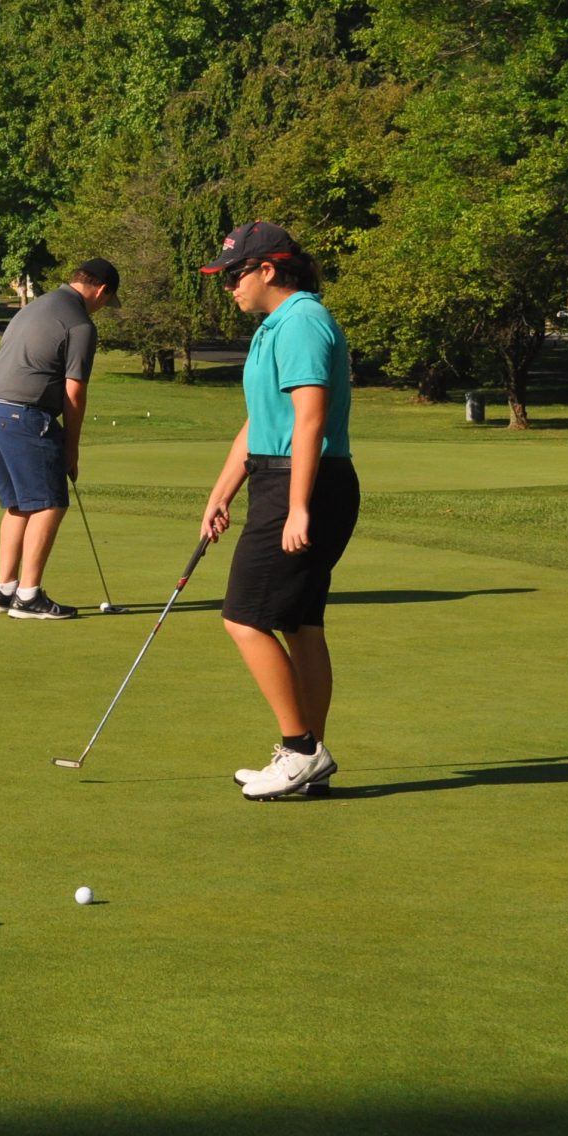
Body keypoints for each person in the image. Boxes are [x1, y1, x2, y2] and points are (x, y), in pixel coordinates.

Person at [194, 221, 360, 800]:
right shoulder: (275, 326)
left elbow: (309, 419)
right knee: (300, 623)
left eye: (233, 276)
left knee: (243, 616)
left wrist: (296, 508)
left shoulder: (303, 322)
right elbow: (261, 421)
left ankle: (299, 751)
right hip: (283, 480)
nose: (228, 287)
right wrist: (223, 492)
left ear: (268, 270)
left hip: (305, 485)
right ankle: (310, 754)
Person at [0, 258, 119, 620]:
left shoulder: (35, 306)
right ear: (101, 290)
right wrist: (71, 448)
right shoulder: (80, 324)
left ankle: (4, 589)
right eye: (107, 300)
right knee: (50, 502)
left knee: (21, 504)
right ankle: (28, 596)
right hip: (22, 413)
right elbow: (74, 392)